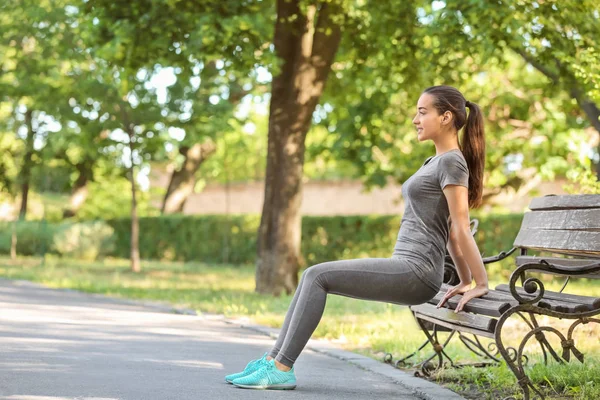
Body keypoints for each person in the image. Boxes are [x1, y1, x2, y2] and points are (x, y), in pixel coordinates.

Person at [225, 85, 489, 390]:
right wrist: (464, 280)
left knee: (316, 276)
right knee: (313, 276)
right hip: (408, 265)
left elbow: (460, 228)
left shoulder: (452, 163)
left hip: (417, 272)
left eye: (422, 112)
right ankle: (272, 362)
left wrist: (479, 283)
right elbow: (451, 236)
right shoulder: (436, 162)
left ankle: (281, 366)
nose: (415, 119)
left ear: (445, 117)